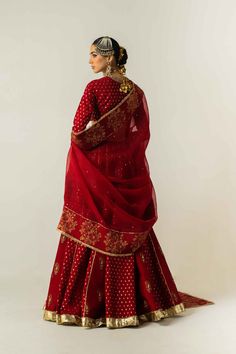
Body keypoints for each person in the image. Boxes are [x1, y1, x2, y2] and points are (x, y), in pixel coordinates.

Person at [42, 36, 214, 329]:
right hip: (126, 170)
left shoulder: (94, 88)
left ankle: (85, 307)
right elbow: (139, 134)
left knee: (94, 223)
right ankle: (144, 302)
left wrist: (90, 143)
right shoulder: (135, 92)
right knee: (128, 228)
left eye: (94, 55)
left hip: (98, 172)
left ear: (109, 58)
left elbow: (76, 130)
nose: (90, 61)